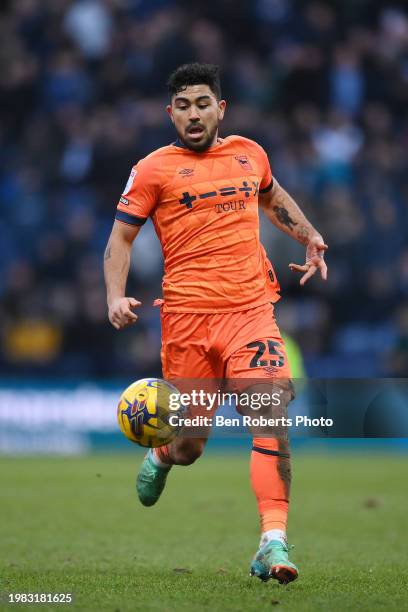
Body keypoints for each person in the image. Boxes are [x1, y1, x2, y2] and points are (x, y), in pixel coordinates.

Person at [104, 63, 327, 584]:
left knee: (270, 414)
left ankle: (272, 542)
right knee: (191, 446)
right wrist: (115, 296)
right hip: (187, 324)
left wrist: (310, 235)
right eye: (183, 106)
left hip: (251, 313)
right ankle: (164, 454)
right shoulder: (153, 169)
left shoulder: (250, 153)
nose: (193, 114)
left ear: (220, 109)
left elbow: (271, 195)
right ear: (171, 114)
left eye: (202, 103)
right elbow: (119, 240)